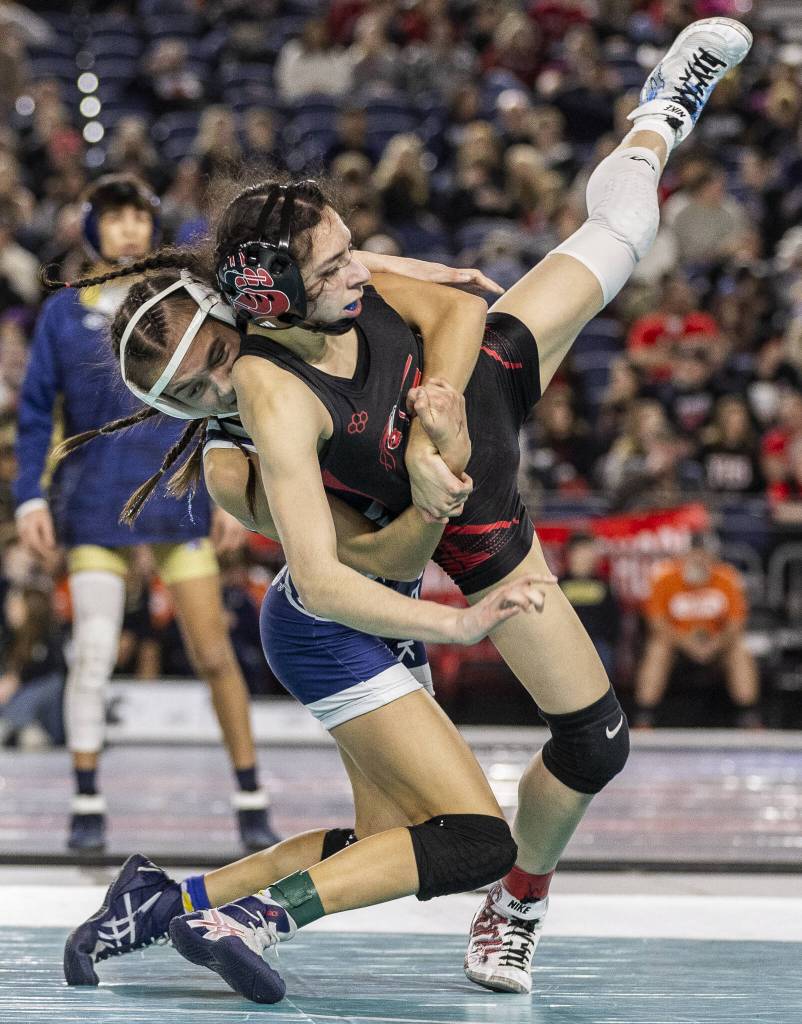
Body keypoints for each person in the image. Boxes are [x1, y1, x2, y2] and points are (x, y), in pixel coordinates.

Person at [57, 20, 752, 999]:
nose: (356, 267)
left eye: (349, 257)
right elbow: (357, 568)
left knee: (619, 234)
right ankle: (485, 904)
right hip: (444, 535)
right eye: (201, 400)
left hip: (475, 411)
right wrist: (434, 512)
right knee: (500, 802)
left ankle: (658, 117)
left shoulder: (314, 286)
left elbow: (462, 299)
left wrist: (433, 414)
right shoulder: (259, 432)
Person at [14, 174, 280, 852]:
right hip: (96, 492)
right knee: (95, 653)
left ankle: (251, 796)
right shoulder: (63, 313)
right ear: (90, 226)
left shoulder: (181, 301)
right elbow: (36, 410)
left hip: (177, 485)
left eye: (140, 215)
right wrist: (28, 497)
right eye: (115, 216)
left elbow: (225, 392)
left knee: (214, 652)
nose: (130, 227)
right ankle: (87, 802)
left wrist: (233, 488)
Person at [634, 534, 761, 729]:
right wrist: (688, 644)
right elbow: (657, 623)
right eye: (694, 555)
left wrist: (715, 644)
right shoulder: (664, 577)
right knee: (657, 648)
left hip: (716, 642)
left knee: (739, 649)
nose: (699, 561)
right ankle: (645, 717)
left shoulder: (727, 577)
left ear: (713, 558)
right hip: (677, 643)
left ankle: (749, 716)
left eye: (704, 556)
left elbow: (736, 623)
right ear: (683, 557)